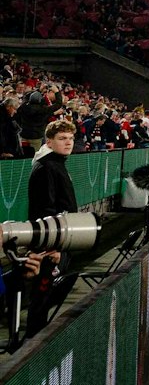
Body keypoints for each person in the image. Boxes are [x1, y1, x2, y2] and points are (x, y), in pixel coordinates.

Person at [23, 120, 80, 338]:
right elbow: (45, 211)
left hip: (58, 242)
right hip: (50, 247)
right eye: (62, 139)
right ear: (49, 141)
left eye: (71, 138)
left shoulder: (56, 163)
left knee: (46, 298)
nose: (68, 143)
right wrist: (55, 245)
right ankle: (31, 348)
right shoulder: (46, 167)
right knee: (41, 299)